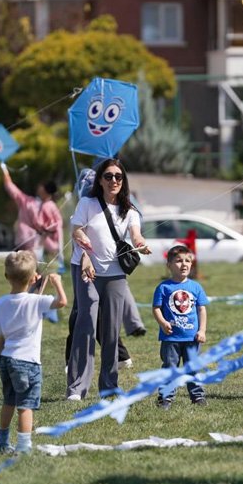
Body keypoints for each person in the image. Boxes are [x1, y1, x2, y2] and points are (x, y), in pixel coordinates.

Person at [66, 159, 150, 401]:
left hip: (115, 275)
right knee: (85, 326)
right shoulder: (87, 203)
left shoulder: (130, 210)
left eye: (118, 177)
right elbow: (77, 231)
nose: (114, 180)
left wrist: (141, 245)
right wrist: (84, 256)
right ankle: (77, 388)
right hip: (86, 270)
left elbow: (136, 235)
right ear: (100, 180)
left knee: (112, 331)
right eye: (109, 176)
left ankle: (109, 387)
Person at [0, 251, 67, 454]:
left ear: (6, 276)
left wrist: (0, 356)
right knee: (25, 406)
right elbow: (62, 302)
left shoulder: (0, 303)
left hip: (6, 359)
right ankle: (24, 447)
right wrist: (57, 282)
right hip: (28, 362)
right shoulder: (36, 301)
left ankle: (2, 442)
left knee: (8, 401)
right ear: (34, 278)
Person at [152, 244, 208, 409]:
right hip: (171, 338)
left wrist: (202, 330)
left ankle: (198, 396)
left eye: (187, 260)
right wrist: (162, 323)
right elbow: (156, 308)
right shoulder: (163, 287)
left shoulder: (196, 287)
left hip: (192, 337)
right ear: (169, 265)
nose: (184, 264)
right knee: (170, 368)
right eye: (178, 261)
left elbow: (201, 309)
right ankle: (165, 398)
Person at [1, 164, 63, 260]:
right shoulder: (29, 202)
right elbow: (11, 188)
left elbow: (56, 227)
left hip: (40, 248)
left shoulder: (43, 206)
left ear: (44, 189)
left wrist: (4, 170)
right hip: (30, 245)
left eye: (41, 186)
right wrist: (5, 170)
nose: (38, 187)